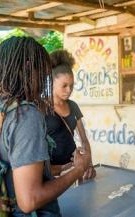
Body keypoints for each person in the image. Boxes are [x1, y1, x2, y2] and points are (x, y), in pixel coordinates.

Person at [0, 36, 90, 216]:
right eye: (43, 76)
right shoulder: (24, 114)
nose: (42, 85)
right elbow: (30, 200)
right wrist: (78, 169)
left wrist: (60, 169)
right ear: (29, 68)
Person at [46, 49, 96, 179]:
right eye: (64, 85)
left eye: (72, 86)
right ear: (52, 82)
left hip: (73, 168)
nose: (69, 90)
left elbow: (84, 139)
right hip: (53, 173)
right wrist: (57, 169)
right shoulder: (42, 109)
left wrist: (88, 163)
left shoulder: (73, 106)